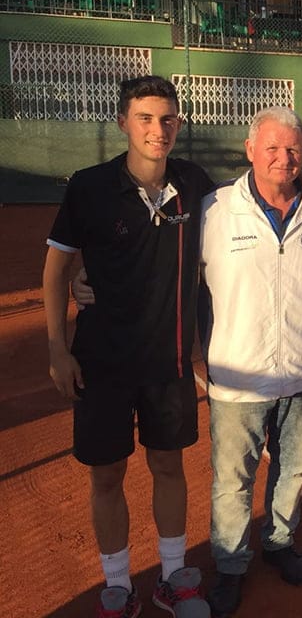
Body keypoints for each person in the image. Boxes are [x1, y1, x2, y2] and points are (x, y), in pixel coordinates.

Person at [42, 76, 213, 618]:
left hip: (168, 361)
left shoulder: (194, 183)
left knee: (169, 465)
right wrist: (57, 349)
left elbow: (252, 202)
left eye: (167, 119)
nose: (158, 130)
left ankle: (172, 577)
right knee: (107, 474)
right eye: (145, 118)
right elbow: (56, 270)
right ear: (123, 123)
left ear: (178, 124)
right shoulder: (89, 187)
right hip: (102, 363)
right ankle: (118, 586)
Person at [201, 108, 302, 616]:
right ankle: (231, 564)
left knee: (292, 470)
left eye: (293, 148)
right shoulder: (215, 211)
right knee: (232, 481)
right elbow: (172, 273)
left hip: (301, 372)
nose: (284, 158)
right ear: (250, 150)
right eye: (273, 148)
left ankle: (280, 541)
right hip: (237, 376)